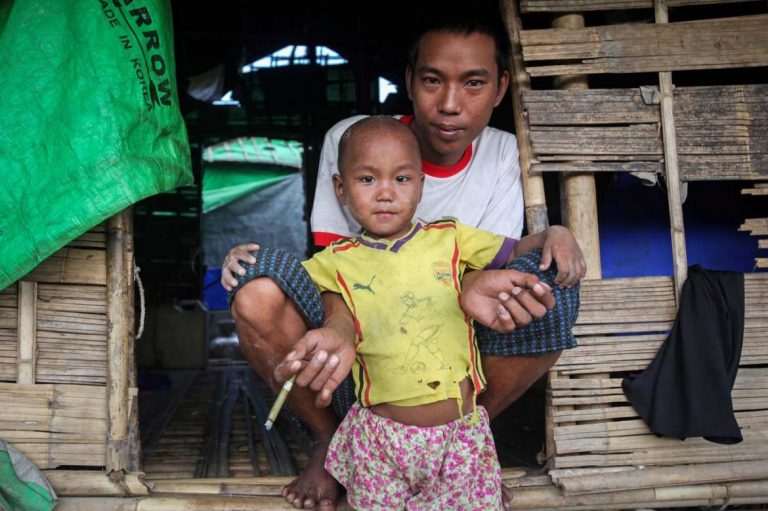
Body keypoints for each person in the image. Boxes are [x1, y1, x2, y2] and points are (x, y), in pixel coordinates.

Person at [222, 16, 585, 511]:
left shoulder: (504, 154)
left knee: (554, 285)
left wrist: (554, 235)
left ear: (501, 87)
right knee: (255, 284)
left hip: (455, 338)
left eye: (473, 82)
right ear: (409, 80)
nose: (450, 104)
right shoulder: (353, 138)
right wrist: (340, 328)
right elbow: (338, 267)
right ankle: (333, 441)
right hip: (356, 322)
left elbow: (493, 261)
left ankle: (463, 445)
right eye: (433, 80)